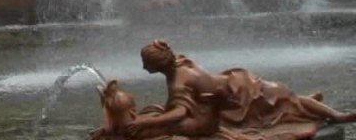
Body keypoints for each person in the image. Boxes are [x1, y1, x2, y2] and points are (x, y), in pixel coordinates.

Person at [123, 40, 356, 140]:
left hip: (241, 94)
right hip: (231, 87)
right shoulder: (180, 63)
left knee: (289, 99)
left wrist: (145, 123)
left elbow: (180, 112)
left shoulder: (179, 81)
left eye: (147, 63)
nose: (144, 68)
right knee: (288, 101)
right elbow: (184, 103)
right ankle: (303, 106)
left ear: (158, 64)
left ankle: (335, 115)